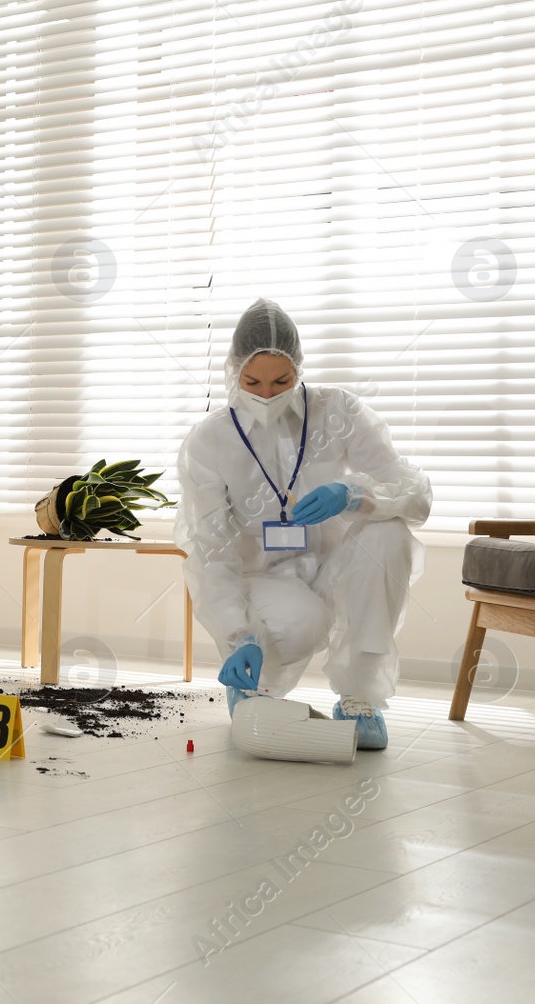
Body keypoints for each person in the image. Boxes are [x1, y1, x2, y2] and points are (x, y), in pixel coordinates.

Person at [173, 299, 432, 749]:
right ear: (234, 370)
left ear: (300, 369)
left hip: (335, 565)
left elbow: (412, 490)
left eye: (282, 381)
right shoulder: (210, 440)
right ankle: (254, 682)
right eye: (253, 381)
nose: (267, 394)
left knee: (390, 531)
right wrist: (237, 635)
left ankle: (360, 698)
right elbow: (213, 549)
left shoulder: (338, 412)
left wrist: (355, 494)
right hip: (265, 577)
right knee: (298, 626)